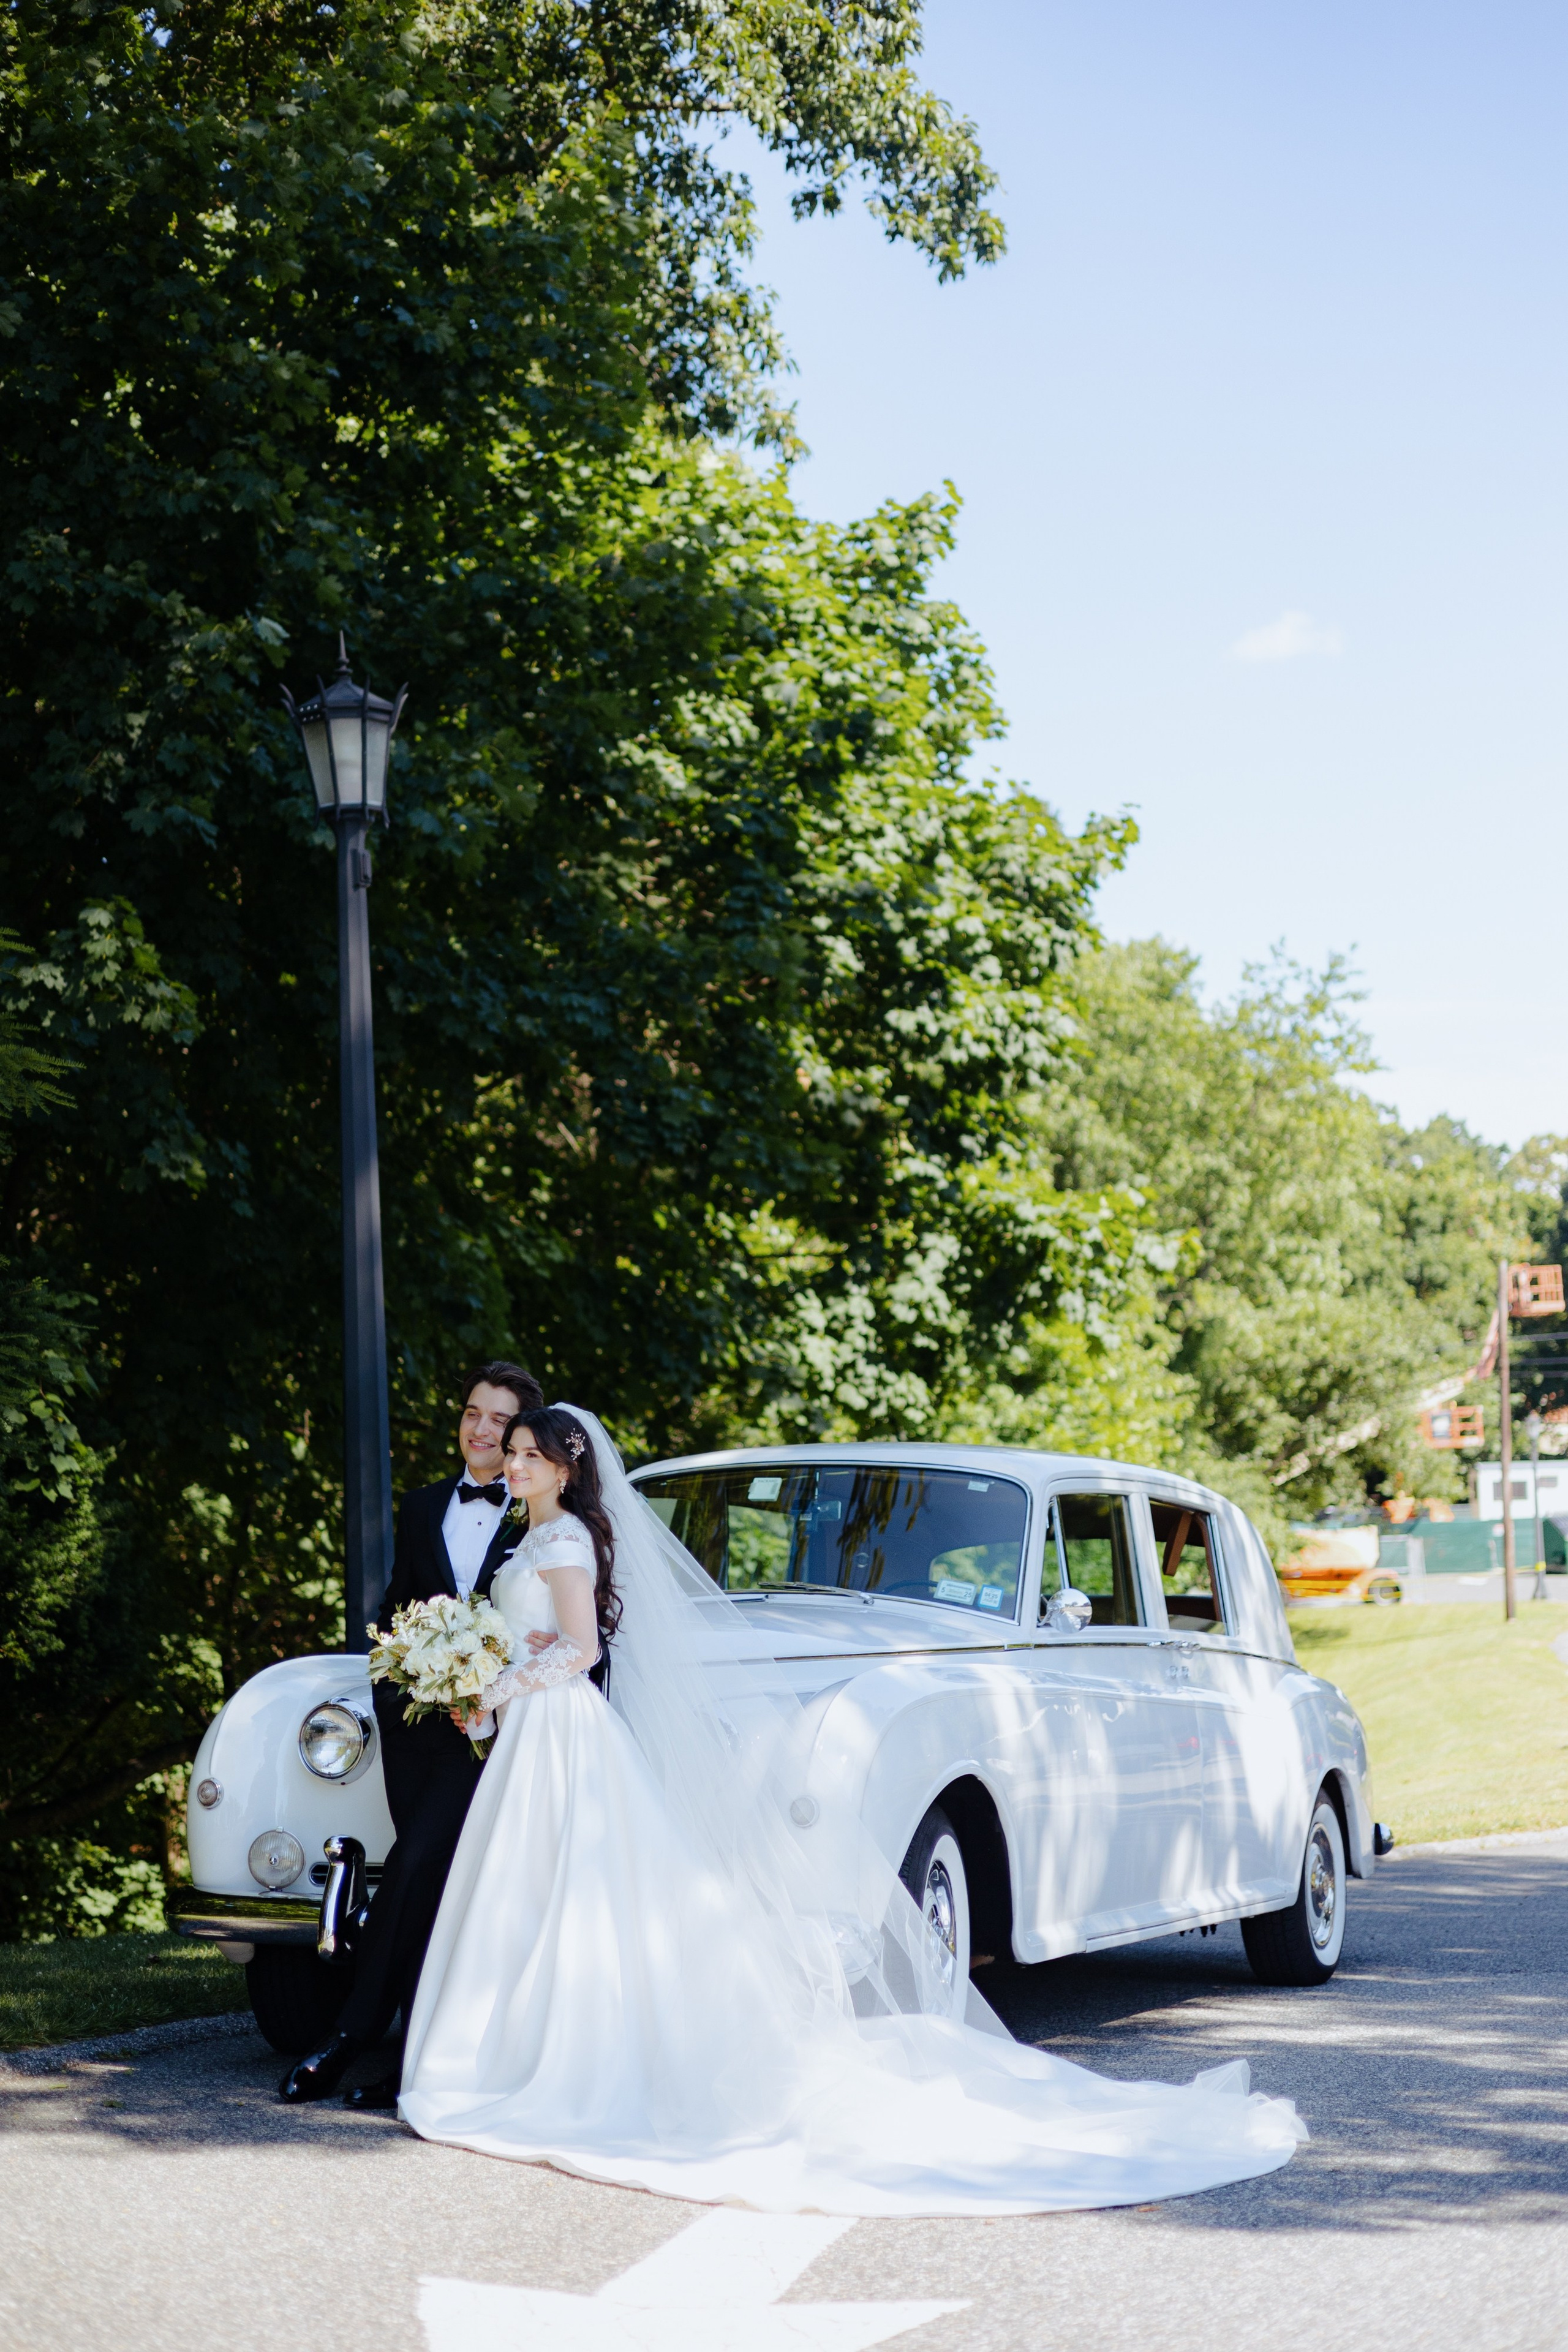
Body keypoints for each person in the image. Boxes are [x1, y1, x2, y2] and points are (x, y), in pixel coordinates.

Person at [396, 1403, 1308, 2215]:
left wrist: (498, 1685)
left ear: (563, 1463)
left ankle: (549, 2059)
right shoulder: (540, 1538)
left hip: (552, 1723)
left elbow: (578, 1645)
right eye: (504, 1450)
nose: (509, 1463)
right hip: (541, 1733)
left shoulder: (564, 1543)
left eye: (525, 1451)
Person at [279, 1358, 543, 2108]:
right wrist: (397, 1684)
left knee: (413, 1868)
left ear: (523, 1433)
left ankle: (349, 2037)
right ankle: (414, 2064)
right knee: (435, 1887)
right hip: (418, 1728)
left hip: (502, 1732)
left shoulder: (542, 1512)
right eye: (472, 1413)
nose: (482, 1430)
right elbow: (398, 1608)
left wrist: (497, 1696)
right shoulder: (425, 1503)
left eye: (499, 1419)